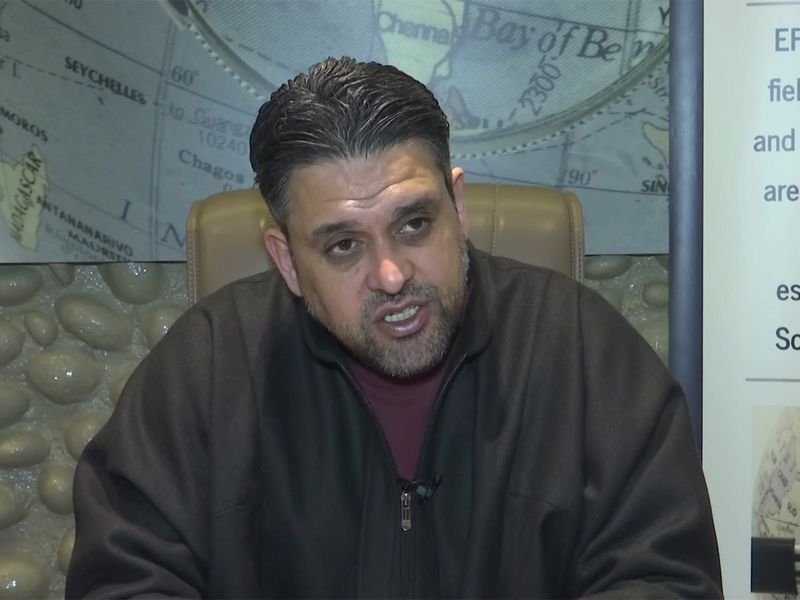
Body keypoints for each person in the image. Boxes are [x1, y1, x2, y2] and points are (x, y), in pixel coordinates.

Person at [66, 56, 722, 598]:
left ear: (458, 206)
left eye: (414, 224)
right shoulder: (206, 367)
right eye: (343, 246)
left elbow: (665, 579)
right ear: (287, 261)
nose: (390, 274)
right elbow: (123, 580)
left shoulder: (584, 352)